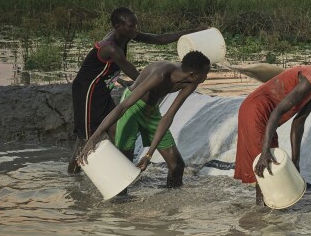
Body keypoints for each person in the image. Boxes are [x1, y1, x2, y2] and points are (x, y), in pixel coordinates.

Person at [68, 7, 206, 173]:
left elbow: (160, 39)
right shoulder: (111, 48)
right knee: (85, 139)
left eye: (136, 25)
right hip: (87, 91)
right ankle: (73, 179)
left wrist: (192, 32)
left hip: (104, 89)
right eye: (131, 26)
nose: (135, 29)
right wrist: (157, 86)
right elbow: (137, 77)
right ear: (118, 26)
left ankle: (117, 175)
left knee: (114, 131)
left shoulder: (127, 35)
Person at [234, 44, 311, 206]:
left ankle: (263, 209)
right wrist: (264, 152)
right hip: (257, 111)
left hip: (262, 113)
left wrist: (296, 161)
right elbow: (277, 112)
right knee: (266, 163)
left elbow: (299, 122)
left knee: (269, 164)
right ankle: (261, 212)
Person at [78, 51, 212, 188]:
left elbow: (168, 116)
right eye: (204, 75)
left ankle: (171, 204)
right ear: (192, 74)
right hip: (132, 109)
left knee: (177, 165)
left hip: (152, 112)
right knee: (124, 169)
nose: (205, 78)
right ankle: (120, 206)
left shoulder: (191, 82)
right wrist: (95, 137)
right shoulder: (160, 74)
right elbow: (123, 107)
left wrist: (148, 155)